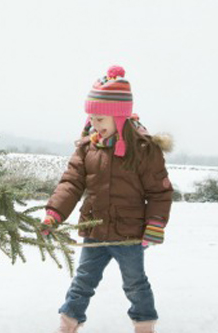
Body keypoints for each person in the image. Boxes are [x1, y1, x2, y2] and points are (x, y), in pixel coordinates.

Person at [42, 65, 173, 333]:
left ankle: (144, 325)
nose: (94, 125)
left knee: (135, 283)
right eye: (92, 119)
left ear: (119, 117)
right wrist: (54, 214)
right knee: (82, 281)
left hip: (129, 234)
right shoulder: (87, 148)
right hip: (95, 229)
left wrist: (155, 224)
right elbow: (71, 183)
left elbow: (159, 192)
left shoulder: (144, 150)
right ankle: (67, 324)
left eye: (100, 119)